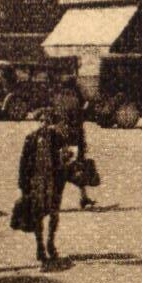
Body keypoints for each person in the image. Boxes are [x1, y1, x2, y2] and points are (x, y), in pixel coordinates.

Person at [18, 117, 69, 265]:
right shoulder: (31, 139)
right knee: (38, 214)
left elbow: (66, 156)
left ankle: (50, 243)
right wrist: (23, 186)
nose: (45, 124)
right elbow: (23, 163)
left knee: (54, 213)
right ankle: (40, 246)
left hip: (53, 180)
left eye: (48, 121)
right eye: (42, 120)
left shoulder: (57, 138)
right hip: (37, 181)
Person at [51, 74, 94, 209]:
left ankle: (83, 197)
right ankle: (82, 198)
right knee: (76, 168)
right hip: (73, 138)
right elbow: (78, 120)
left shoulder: (57, 98)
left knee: (61, 168)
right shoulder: (74, 100)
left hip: (58, 137)